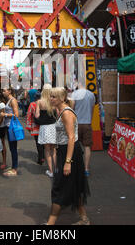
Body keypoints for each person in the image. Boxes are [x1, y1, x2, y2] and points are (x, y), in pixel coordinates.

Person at [46, 87, 90, 225]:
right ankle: (84, 219)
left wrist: (67, 162)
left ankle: (50, 223)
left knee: (59, 187)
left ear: (62, 98)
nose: (51, 99)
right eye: (51, 96)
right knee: (74, 185)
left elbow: (71, 138)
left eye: (53, 97)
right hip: (65, 152)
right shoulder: (61, 111)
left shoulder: (66, 113)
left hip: (70, 153)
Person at [72, 83, 96, 177]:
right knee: (87, 146)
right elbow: (93, 109)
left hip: (76, 123)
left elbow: (72, 108)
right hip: (87, 123)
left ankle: (75, 167)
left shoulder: (74, 94)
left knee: (74, 145)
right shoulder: (91, 94)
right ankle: (86, 169)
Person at [34, 84, 56, 178]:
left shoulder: (39, 102)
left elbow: (37, 116)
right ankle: (57, 170)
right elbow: (58, 114)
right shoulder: (54, 101)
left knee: (47, 150)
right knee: (54, 150)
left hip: (44, 128)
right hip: (53, 127)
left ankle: (51, 171)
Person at [0, 87, 20, 177]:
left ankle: (14, 169)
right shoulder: (8, 100)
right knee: (12, 148)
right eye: (2, 91)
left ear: (9, 91)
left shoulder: (13, 100)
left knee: (13, 148)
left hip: (12, 127)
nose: (3, 92)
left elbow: (16, 115)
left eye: (4, 90)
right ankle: (13, 167)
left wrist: (5, 114)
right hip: (8, 127)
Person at [26, 91, 44, 165]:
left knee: (38, 143)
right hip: (44, 126)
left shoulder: (32, 104)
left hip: (36, 127)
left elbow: (29, 115)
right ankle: (44, 156)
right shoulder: (45, 104)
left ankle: (41, 158)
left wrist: (29, 127)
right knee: (44, 142)